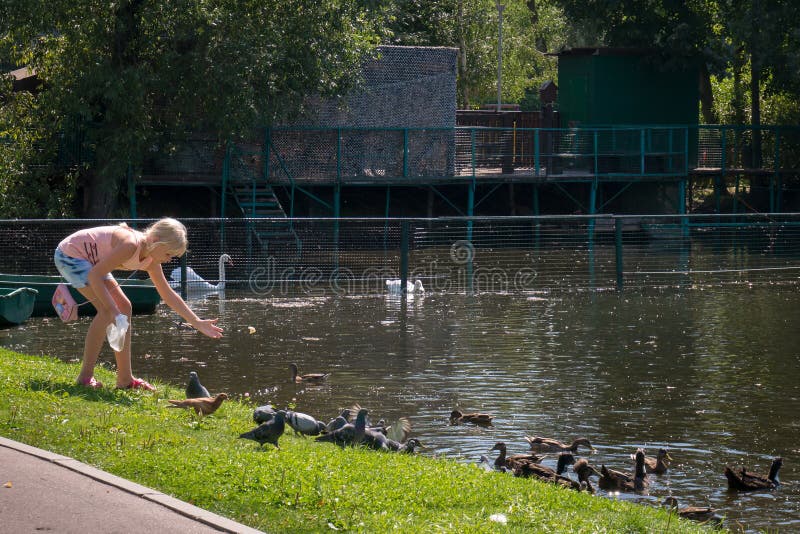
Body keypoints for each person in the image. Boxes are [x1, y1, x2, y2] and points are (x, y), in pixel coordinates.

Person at [54, 218, 223, 390]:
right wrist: (112, 310)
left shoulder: (152, 260)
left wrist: (196, 321)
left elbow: (167, 293)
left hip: (92, 262)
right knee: (106, 310)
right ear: (156, 241)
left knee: (124, 307)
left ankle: (125, 380)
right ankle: (84, 378)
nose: (169, 259)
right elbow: (94, 276)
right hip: (71, 255)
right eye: (168, 254)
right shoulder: (130, 245)